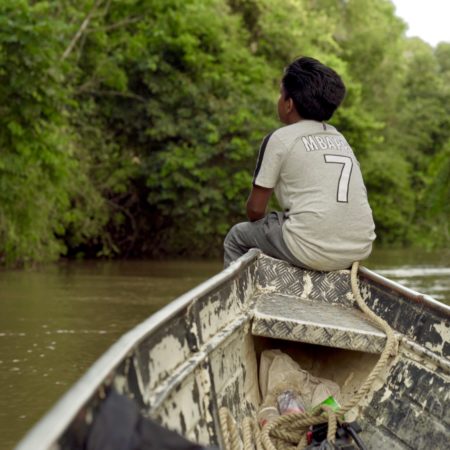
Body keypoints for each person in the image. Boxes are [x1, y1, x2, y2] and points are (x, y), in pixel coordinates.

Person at [223, 56, 376, 271]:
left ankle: (235, 300)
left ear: (289, 104)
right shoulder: (339, 138)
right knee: (291, 227)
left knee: (237, 236)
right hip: (359, 248)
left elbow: (255, 211)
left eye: (280, 93)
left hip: (310, 248)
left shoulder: (280, 138)